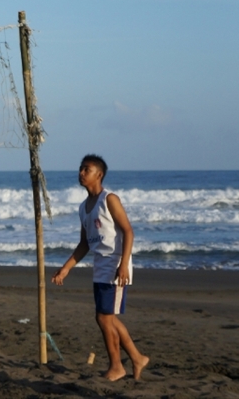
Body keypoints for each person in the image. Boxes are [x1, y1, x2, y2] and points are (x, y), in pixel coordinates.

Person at [52, 154, 150, 381]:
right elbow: (84, 243)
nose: (81, 173)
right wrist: (66, 268)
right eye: (80, 169)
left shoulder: (110, 199)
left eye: (87, 169)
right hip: (100, 266)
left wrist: (124, 265)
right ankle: (136, 358)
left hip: (115, 264)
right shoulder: (83, 207)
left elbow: (128, 231)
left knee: (104, 318)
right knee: (107, 318)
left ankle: (117, 366)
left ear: (99, 174)